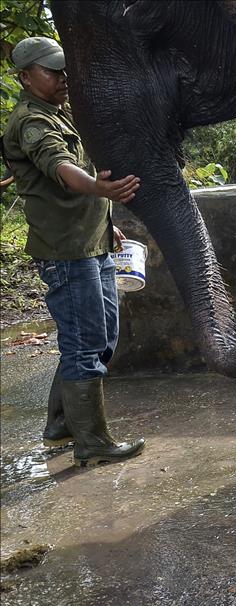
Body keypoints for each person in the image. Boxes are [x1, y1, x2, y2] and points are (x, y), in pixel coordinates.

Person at [3, 36, 145, 466]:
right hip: (67, 252)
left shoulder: (58, 112)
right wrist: (101, 188)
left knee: (101, 337)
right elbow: (61, 168)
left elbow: (73, 169)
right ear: (26, 77)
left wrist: (106, 221)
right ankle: (93, 444)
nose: (63, 78)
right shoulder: (31, 123)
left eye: (64, 70)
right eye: (52, 71)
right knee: (85, 344)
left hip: (91, 241)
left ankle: (62, 424)